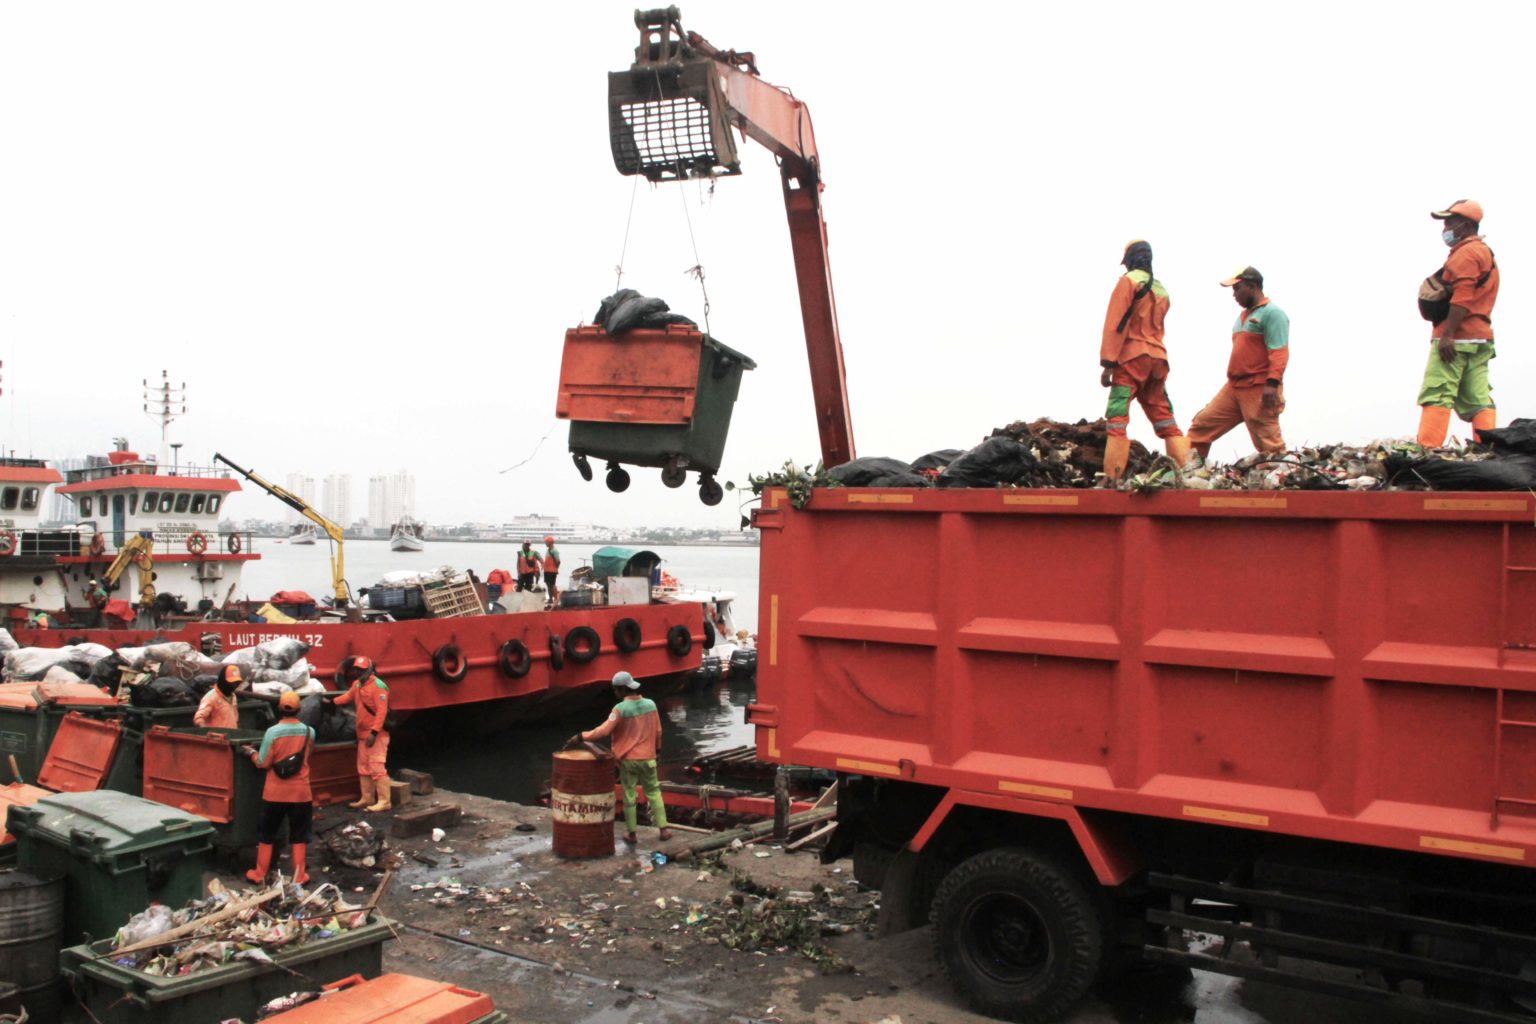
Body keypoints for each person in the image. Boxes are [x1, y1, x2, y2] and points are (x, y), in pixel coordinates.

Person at [1098, 240, 1190, 479]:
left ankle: (1112, 478)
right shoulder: (1161, 290)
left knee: (1117, 419)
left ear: (1129, 259)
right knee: (1165, 418)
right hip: (1158, 359)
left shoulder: (1128, 282)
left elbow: (1115, 324)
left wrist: (1108, 363)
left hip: (1131, 359)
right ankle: (1185, 473)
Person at [1418, 199, 1500, 446]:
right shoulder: (1486, 253)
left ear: (1465, 225)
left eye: (1450, 222)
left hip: (1458, 338)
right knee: (1478, 398)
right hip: (1480, 337)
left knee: (1438, 392)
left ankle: (1427, 450)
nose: (1445, 227)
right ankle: (1487, 448)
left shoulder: (1466, 254)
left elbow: (1462, 297)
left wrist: (1448, 335)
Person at [1186, 266, 1290, 460]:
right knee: (1201, 427)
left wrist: (1272, 384)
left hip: (1259, 386)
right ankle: (1189, 471)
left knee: (1268, 442)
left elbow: (1279, 352)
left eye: (1237, 288)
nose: (1234, 295)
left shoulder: (1272, 313)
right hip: (1234, 387)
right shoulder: (1243, 317)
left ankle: (1281, 480)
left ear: (1252, 286)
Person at [578, 671, 673, 846]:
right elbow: (659, 732)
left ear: (622, 690)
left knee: (629, 796)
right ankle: (664, 829)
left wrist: (581, 736)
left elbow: (603, 731)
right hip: (649, 758)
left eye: (615, 690)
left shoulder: (619, 709)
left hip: (628, 760)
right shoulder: (651, 705)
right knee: (654, 793)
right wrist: (657, 752)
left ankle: (632, 834)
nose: (615, 693)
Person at [241, 691, 315, 885]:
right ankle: (299, 876)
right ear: (299, 710)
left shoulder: (272, 733)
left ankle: (260, 874)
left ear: (279, 709)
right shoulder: (309, 731)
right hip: (301, 793)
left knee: (267, 833)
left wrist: (251, 753)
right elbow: (308, 756)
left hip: (275, 793)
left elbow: (263, 763)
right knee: (299, 834)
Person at [331, 654, 392, 812]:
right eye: (356, 670)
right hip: (363, 734)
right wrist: (331, 703)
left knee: (377, 767)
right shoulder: (357, 685)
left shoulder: (379, 686)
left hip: (376, 735)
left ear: (370, 670)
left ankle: (385, 801)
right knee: (363, 767)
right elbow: (347, 697)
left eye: (361, 670)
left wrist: (374, 732)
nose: (358, 673)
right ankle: (367, 798)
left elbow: (381, 713)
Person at [194, 664, 243, 728]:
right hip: (217, 737)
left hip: (231, 736)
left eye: (236, 683)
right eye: (231, 683)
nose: (234, 685)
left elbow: (235, 718)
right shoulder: (211, 697)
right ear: (223, 680)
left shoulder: (233, 696)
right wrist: (206, 730)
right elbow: (199, 718)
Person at [542, 536, 562, 605]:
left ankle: (555, 598)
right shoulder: (549, 550)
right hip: (547, 570)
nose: (545, 543)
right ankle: (550, 599)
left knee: (552, 585)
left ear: (549, 543)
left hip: (552, 571)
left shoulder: (554, 550)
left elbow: (558, 561)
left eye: (546, 542)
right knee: (548, 584)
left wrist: (556, 568)